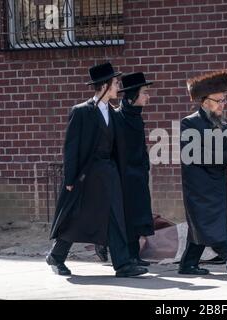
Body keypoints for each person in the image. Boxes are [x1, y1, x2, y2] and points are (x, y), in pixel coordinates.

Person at [47, 62, 148, 278]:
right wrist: (70, 177)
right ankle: (56, 256)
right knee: (77, 215)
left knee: (115, 216)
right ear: (104, 86)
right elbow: (71, 147)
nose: (117, 86)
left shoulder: (115, 113)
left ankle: (122, 265)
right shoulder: (82, 112)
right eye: (114, 83)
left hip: (109, 173)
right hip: (87, 174)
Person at [179, 70, 227, 277]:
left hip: (217, 182)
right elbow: (192, 154)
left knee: (200, 226)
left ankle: (188, 264)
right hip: (198, 184)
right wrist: (220, 154)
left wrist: (222, 154)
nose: (222, 104)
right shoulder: (190, 123)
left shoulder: (223, 124)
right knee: (208, 222)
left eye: (224, 100)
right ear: (204, 102)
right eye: (218, 100)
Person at [116, 72, 155, 266]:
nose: (148, 97)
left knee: (138, 215)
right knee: (127, 215)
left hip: (138, 174)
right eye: (144, 92)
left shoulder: (136, 116)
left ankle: (135, 254)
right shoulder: (118, 117)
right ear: (133, 96)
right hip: (124, 176)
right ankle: (126, 255)